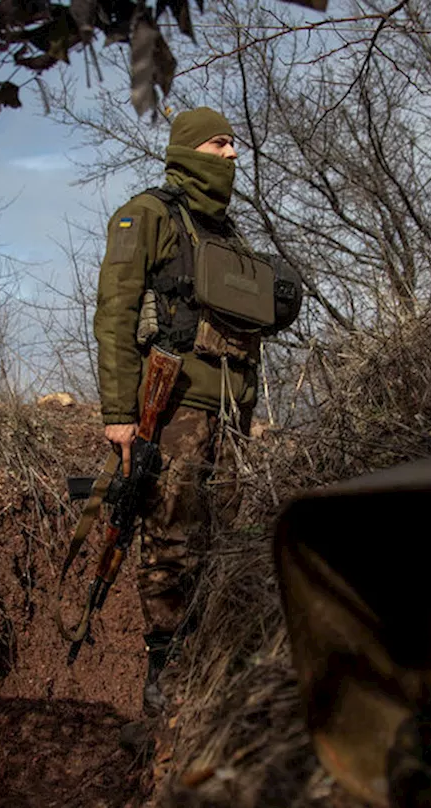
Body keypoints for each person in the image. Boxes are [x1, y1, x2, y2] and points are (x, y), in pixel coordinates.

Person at [92, 107, 301, 725]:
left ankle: (211, 671)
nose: (233, 154)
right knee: (173, 539)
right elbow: (114, 314)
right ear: (189, 150)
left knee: (221, 539)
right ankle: (164, 677)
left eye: (234, 143)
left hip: (232, 411)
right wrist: (118, 414)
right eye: (220, 143)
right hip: (174, 404)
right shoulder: (147, 215)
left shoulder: (229, 235)